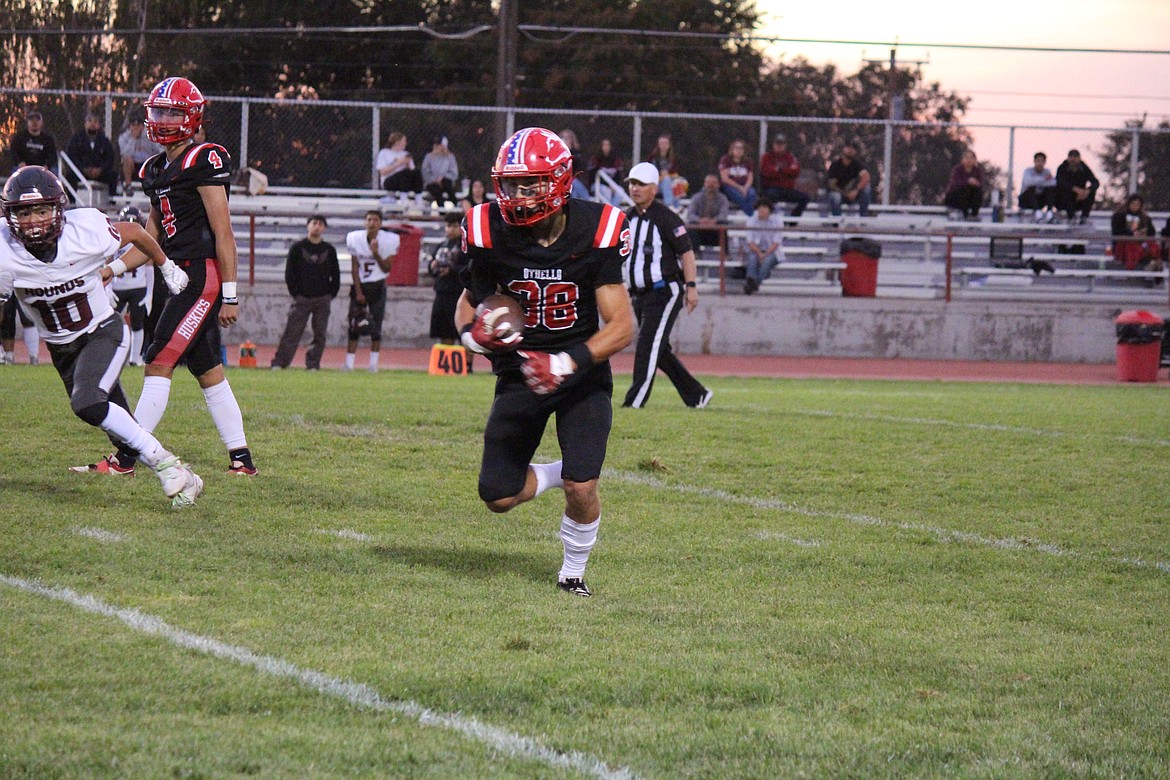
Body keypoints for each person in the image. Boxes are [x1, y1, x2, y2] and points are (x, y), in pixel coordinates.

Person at [455, 127, 635, 598]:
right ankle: (561, 470)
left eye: (528, 183)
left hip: (580, 372)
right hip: (520, 373)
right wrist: (474, 337)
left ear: (559, 180)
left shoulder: (596, 227)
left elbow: (621, 327)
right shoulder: (488, 228)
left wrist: (567, 363)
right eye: (510, 183)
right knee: (496, 496)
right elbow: (467, 305)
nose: (516, 194)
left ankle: (572, 572)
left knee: (583, 486)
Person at [75, 76, 258, 478]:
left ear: (191, 116)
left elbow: (223, 233)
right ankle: (242, 460)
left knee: (158, 358)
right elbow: (151, 240)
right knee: (208, 368)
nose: (162, 118)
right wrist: (111, 269)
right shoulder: (154, 167)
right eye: (158, 111)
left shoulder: (204, 158)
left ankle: (126, 459)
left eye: (172, 111)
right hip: (171, 274)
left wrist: (229, 293)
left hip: (200, 276)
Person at [0, 166, 202, 507]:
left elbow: (137, 233)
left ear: (59, 209)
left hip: (103, 333)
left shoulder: (86, 230)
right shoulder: (5, 252)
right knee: (122, 435)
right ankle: (189, 479)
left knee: (87, 402)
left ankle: (168, 465)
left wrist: (166, 266)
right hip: (62, 349)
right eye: (24, 212)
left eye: (41, 210)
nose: (33, 220)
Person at [620, 161, 711, 409]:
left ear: (653, 188)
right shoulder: (627, 217)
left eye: (640, 184)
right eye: (632, 184)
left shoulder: (667, 218)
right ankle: (697, 395)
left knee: (648, 346)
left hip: (664, 291)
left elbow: (687, 253)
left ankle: (634, 402)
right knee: (659, 350)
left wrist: (691, 286)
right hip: (639, 294)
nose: (635, 189)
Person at [271, 214, 340, 370]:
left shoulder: (329, 250)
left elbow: (335, 275)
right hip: (302, 298)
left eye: (321, 224)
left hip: (322, 299)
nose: (317, 226)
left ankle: (313, 364)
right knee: (292, 332)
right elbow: (290, 273)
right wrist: (296, 293)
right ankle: (280, 363)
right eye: (314, 223)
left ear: (324, 228)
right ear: (308, 225)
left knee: (320, 334)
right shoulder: (297, 248)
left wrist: (330, 294)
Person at [343, 209, 398, 373]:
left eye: (375, 220)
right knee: (354, 324)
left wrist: (376, 253)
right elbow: (354, 267)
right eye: (368, 219)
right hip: (360, 285)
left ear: (380, 223)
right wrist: (358, 291)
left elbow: (387, 268)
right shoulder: (355, 238)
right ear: (364, 222)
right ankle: (349, 363)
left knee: (376, 325)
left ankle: (373, 364)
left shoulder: (389, 240)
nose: (371, 223)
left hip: (378, 285)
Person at [108, 205, 153, 366]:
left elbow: (149, 266)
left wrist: (149, 294)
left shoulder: (142, 239)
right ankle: (116, 357)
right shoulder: (113, 240)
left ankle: (134, 359)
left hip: (135, 287)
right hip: (118, 287)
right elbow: (105, 263)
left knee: (137, 324)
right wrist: (106, 288)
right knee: (112, 324)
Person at [427, 212, 469, 349]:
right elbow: (432, 269)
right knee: (443, 330)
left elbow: (470, 268)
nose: (451, 229)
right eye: (448, 226)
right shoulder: (441, 246)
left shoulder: (466, 247)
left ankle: (466, 365)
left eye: (455, 226)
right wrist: (432, 266)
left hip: (458, 292)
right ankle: (446, 361)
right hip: (441, 291)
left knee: (462, 331)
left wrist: (451, 270)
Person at [64, 112, 119, 195]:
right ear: (85, 123)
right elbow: (72, 156)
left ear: (99, 125)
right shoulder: (76, 139)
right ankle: (72, 202)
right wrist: (83, 169)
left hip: (99, 173)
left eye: (95, 121)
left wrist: (100, 169)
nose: (92, 124)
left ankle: (111, 203)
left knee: (113, 175)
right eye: (89, 121)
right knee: (70, 176)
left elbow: (110, 158)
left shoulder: (104, 140)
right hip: (81, 172)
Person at [759, 133, 809, 217]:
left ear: (785, 145)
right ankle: (774, 218)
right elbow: (767, 172)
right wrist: (787, 172)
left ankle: (793, 220)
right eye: (777, 144)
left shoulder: (790, 157)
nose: (779, 146)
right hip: (772, 188)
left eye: (782, 144)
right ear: (773, 145)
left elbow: (796, 171)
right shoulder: (767, 157)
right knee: (769, 195)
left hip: (787, 189)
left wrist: (779, 170)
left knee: (805, 198)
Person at [743, 199, 785, 295]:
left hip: (773, 251)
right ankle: (752, 282)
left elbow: (776, 242)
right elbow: (750, 241)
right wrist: (759, 253)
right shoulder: (751, 220)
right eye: (759, 207)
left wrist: (764, 254)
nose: (761, 210)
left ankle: (752, 285)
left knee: (767, 260)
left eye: (764, 207)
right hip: (756, 250)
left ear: (770, 210)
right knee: (752, 258)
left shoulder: (777, 221)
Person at [1110, 194, 1161, 272]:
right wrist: (1131, 234)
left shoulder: (1144, 217)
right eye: (1133, 204)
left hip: (1141, 242)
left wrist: (1144, 232)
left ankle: (1152, 263)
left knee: (1153, 247)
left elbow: (1152, 232)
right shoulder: (1119, 216)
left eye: (1138, 205)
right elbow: (1116, 232)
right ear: (1128, 204)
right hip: (1124, 243)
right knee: (1133, 248)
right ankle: (1137, 266)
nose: (1135, 207)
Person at [117, 109, 162, 196]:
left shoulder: (149, 135)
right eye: (133, 125)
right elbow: (125, 153)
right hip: (133, 165)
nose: (136, 127)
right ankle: (128, 186)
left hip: (147, 164)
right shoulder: (124, 137)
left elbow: (158, 149)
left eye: (139, 125)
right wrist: (133, 139)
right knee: (126, 160)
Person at [826, 141, 872, 217]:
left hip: (853, 194)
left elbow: (866, 177)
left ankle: (863, 219)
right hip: (839, 193)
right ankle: (837, 224)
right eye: (848, 147)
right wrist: (846, 194)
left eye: (853, 148)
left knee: (867, 189)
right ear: (843, 149)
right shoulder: (835, 165)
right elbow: (832, 185)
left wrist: (856, 190)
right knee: (835, 196)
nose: (850, 150)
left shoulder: (856, 164)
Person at [686, 173, 730, 251]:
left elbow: (724, 214)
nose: (711, 185)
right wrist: (700, 220)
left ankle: (725, 255)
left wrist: (714, 220)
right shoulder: (696, 197)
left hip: (715, 229)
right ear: (704, 184)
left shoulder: (723, 198)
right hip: (700, 228)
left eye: (713, 183)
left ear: (718, 185)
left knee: (724, 225)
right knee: (691, 226)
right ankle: (695, 253)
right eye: (708, 183)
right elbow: (690, 214)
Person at [1054, 149, 1099, 224]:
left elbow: (1095, 182)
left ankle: (1084, 217)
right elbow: (1059, 182)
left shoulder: (1084, 168)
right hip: (1064, 200)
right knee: (1065, 192)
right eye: (1071, 157)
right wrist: (1074, 189)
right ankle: (1071, 217)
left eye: (1075, 157)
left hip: (1079, 199)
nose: (1073, 159)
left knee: (1091, 193)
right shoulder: (1062, 168)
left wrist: (1087, 191)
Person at [718, 139, 757, 217]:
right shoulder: (725, 160)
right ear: (732, 149)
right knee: (739, 196)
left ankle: (748, 214)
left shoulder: (748, 161)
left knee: (752, 193)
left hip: (745, 186)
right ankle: (751, 216)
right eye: (736, 148)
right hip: (730, 186)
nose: (739, 150)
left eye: (741, 148)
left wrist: (745, 187)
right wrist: (739, 188)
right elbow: (724, 178)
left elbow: (750, 177)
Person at [944, 150, 985, 220]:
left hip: (969, 199)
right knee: (964, 189)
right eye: (966, 157)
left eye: (971, 158)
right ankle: (965, 215)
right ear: (962, 159)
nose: (968, 160)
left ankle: (974, 215)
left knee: (977, 191)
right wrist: (967, 181)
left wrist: (975, 183)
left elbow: (980, 184)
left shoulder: (977, 171)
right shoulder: (958, 170)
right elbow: (955, 183)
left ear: (974, 160)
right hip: (955, 198)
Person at [645, 133, 684, 207]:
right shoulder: (652, 158)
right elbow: (650, 176)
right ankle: (669, 205)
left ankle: (677, 207)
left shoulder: (672, 159)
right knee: (666, 180)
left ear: (669, 145)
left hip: (669, 182)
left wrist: (668, 175)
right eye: (662, 143)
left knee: (678, 182)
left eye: (666, 143)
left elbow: (675, 174)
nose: (664, 145)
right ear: (658, 145)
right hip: (655, 184)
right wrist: (663, 177)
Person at [421, 136, 459, 208]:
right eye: (435, 145)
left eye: (439, 145)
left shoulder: (450, 157)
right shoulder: (428, 157)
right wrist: (435, 179)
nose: (437, 147)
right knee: (436, 191)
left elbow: (454, 174)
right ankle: (442, 212)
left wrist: (443, 177)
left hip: (446, 182)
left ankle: (456, 205)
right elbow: (425, 173)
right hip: (432, 183)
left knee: (448, 185)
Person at [1018, 151, 1056, 222]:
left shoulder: (1047, 171)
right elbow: (1028, 183)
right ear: (1034, 161)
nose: (1040, 163)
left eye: (1042, 161)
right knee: (1031, 188)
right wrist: (1044, 179)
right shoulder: (1028, 171)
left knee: (1050, 190)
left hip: (1039, 200)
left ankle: (1049, 211)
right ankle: (1037, 212)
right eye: (1038, 161)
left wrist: (1036, 181)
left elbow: (1053, 183)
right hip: (1026, 200)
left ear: (1045, 162)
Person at [1, 296, 40, 365]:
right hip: (5, 286)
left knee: (28, 317)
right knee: (6, 316)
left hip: (24, 286)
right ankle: (9, 356)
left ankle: (34, 356)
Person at [585, 138, 625, 204]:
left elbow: (618, 176)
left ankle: (613, 209)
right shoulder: (595, 159)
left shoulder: (615, 160)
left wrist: (613, 186)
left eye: (608, 145)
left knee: (620, 191)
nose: (606, 147)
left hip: (612, 186)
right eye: (604, 145)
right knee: (606, 191)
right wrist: (607, 185)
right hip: (597, 185)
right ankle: (609, 210)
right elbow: (593, 176)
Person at [557, 129, 592, 200]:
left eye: (566, 138)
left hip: (574, 179)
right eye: (562, 137)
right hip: (561, 180)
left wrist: (569, 150)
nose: (564, 140)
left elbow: (579, 166)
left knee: (574, 187)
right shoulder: (556, 153)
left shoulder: (576, 153)